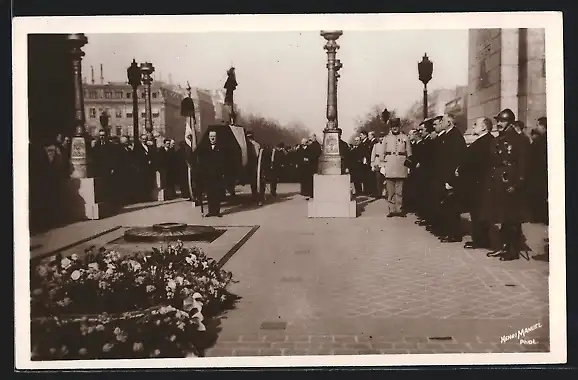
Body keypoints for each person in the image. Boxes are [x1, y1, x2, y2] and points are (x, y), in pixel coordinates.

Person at [480, 108, 530, 261]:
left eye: (502, 121)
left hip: (510, 182)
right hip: (498, 183)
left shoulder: (519, 139)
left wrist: (517, 184)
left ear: (510, 122)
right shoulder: (497, 139)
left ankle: (512, 250)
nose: (499, 124)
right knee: (502, 217)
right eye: (498, 121)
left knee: (511, 219)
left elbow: (523, 164)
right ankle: (503, 247)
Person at [457, 117, 494, 249]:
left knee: (478, 211)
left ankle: (480, 240)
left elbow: (476, 162)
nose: (473, 127)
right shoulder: (483, 140)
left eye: (475, 124)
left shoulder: (486, 141)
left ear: (484, 127)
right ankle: (480, 238)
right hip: (477, 182)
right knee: (476, 212)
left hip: (479, 183)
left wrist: (462, 169)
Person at [436, 113, 467, 242]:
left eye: (443, 120)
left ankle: (454, 234)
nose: (441, 122)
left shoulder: (455, 136)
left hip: (451, 178)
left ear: (449, 122)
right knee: (448, 206)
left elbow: (455, 160)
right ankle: (450, 232)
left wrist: (450, 180)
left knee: (452, 207)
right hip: (446, 176)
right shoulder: (448, 135)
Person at [382, 118, 412, 217]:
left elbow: (409, 153)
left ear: (399, 127)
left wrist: (409, 166)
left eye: (396, 126)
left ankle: (399, 209)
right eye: (393, 127)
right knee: (390, 190)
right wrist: (382, 165)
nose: (395, 128)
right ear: (391, 128)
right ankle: (392, 209)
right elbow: (382, 153)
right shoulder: (386, 138)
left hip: (401, 164)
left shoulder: (405, 137)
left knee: (400, 190)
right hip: (390, 164)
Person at [197, 130, 226, 217]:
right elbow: (202, 161)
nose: (212, 138)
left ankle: (217, 211)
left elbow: (223, 161)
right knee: (209, 193)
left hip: (217, 174)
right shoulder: (205, 148)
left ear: (216, 138)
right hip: (208, 174)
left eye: (214, 136)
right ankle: (211, 211)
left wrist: (222, 172)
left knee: (217, 193)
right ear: (209, 138)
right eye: (211, 137)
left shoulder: (220, 148)